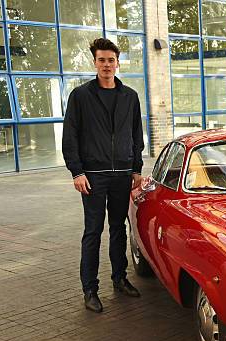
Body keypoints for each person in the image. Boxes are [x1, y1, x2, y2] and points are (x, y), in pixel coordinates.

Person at [62, 38, 145, 313]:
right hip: (94, 177)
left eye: (111, 60)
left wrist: (136, 169)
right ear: (94, 62)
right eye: (101, 60)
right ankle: (90, 289)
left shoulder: (130, 96)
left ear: (117, 63)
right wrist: (77, 171)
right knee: (93, 231)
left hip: (122, 174)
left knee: (119, 229)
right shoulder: (81, 96)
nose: (106, 65)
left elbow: (136, 134)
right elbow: (70, 136)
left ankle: (120, 278)